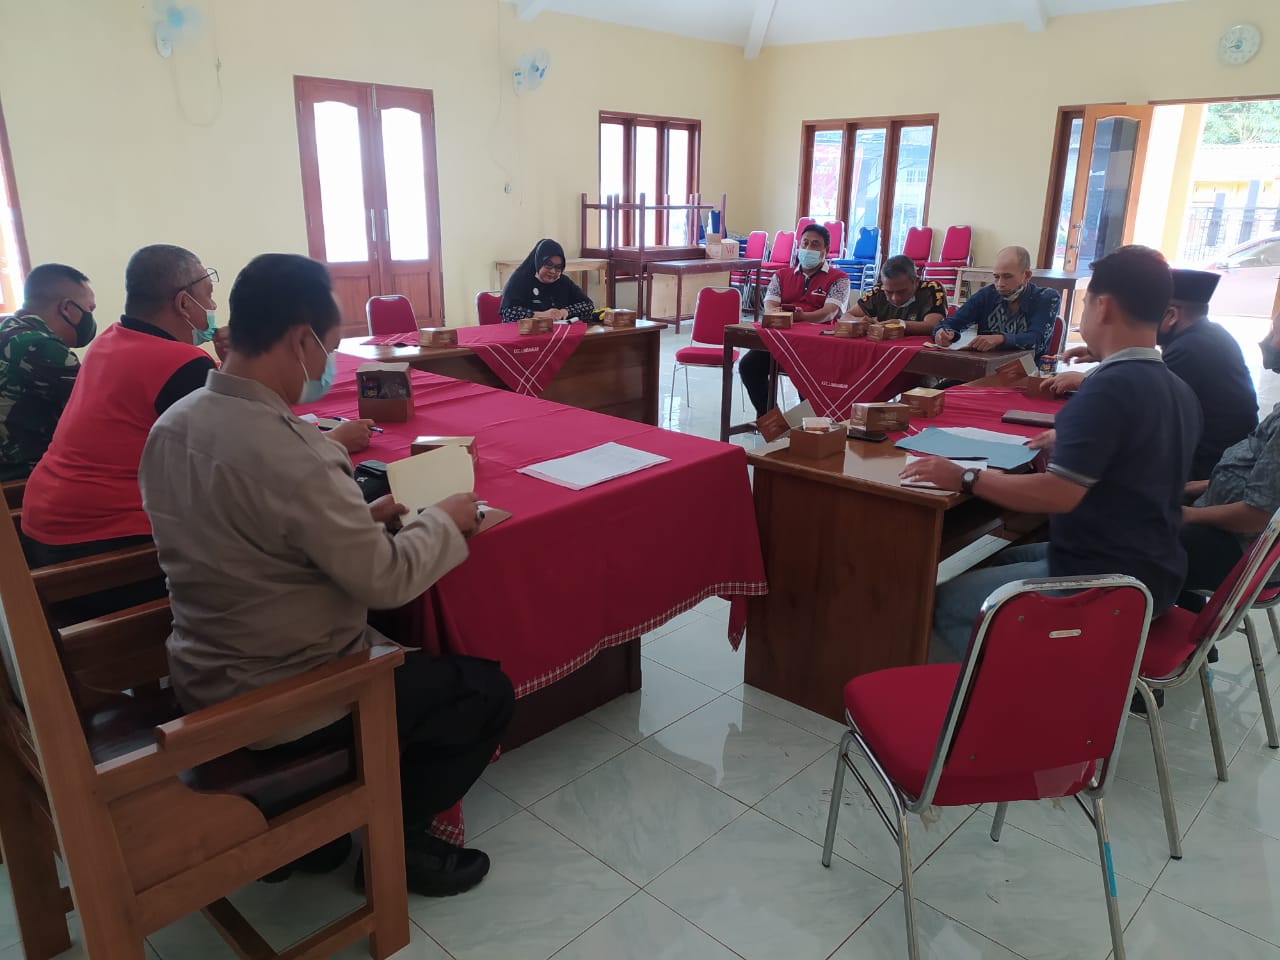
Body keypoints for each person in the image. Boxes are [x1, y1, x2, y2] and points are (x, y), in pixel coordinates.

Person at [139, 253, 513, 898]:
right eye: (330, 347)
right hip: (286, 695)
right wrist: (446, 521)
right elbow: (388, 580)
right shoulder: (298, 451)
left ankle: (316, 834)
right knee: (483, 692)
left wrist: (357, 516)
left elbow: (248, 537)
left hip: (201, 671)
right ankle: (400, 844)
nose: (329, 363)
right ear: (300, 340)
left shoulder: (173, 426)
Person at [902, 245, 1201, 657]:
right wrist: (1076, 440)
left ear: (1103, 307)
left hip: (1107, 581)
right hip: (1155, 565)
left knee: (942, 604)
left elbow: (1058, 494)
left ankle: (994, 694)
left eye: (1087, 302)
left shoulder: (1107, 389)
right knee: (997, 560)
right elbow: (1139, 451)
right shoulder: (1177, 387)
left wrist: (965, 476)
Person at [1047, 268, 1257, 480]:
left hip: (1203, 467)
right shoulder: (1209, 334)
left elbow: (1137, 394)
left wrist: (1086, 380)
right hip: (1218, 456)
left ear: (1172, 315)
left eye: (1148, 314)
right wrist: (1103, 353)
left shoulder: (1190, 349)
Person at [1178, 309, 1280, 612]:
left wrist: (1188, 515)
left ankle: (1142, 627)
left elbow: (1257, 515)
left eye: (1276, 333)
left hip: (1245, 552)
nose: (1268, 342)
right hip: (1237, 536)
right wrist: (1196, 487)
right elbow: (1260, 476)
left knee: (1133, 533)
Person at [739, 223, 851, 417]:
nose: (808, 248)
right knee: (749, 366)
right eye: (805, 243)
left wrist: (801, 317)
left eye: (815, 244)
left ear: (826, 250)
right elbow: (770, 304)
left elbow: (829, 313)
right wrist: (779, 314)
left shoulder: (839, 279)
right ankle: (771, 420)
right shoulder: (782, 275)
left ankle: (809, 426)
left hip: (819, 346)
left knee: (806, 381)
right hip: (780, 341)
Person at [0, 263, 96, 480]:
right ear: (67, 308)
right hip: (20, 475)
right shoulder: (42, 347)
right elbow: (96, 413)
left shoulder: (8, 330)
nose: (91, 318)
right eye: (90, 309)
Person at [932, 246, 1059, 357]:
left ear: (1027, 275)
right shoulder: (987, 295)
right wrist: (943, 333)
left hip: (1028, 371)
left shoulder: (1046, 298)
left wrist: (1001, 339)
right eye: (996, 277)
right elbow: (951, 323)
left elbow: (1037, 340)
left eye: (1007, 276)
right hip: (986, 368)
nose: (1000, 284)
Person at [844, 254, 949, 336]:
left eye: (902, 291)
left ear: (916, 281)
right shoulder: (878, 291)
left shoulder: (932, 289)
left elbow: (933, 325)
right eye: (889, 292)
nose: (895, 298)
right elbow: (846, 316)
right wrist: (859, 321)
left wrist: (900, 324)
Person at [499, 239, 594, 324]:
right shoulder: (520, 280)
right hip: (525, 335)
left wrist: (565, 311)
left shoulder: (563, 281)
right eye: (548, 264)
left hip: (558, 333)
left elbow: (588, 305)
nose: (553, 271)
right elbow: (508, 313)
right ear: (538, 262)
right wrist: (541, 315)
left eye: (558, 267)